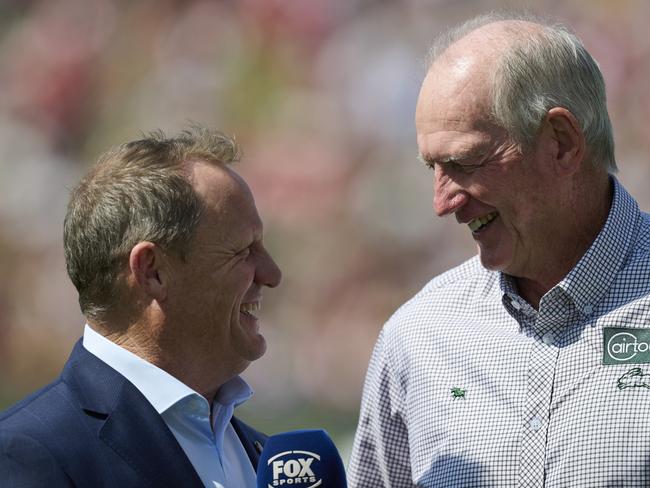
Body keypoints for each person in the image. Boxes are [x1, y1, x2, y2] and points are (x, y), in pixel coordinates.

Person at [349, 13, 650, 487]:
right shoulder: (417, 338)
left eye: (465, 162)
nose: (442, 203)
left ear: (562, 143)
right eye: (433, 167)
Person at [0, 126, 282, 487]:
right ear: (152, 271)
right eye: (244, 250)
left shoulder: (271, 460)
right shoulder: (30, 454)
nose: (272, 274)